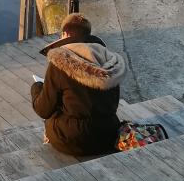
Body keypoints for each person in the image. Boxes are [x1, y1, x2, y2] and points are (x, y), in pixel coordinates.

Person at [30, 12, 126, 156]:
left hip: (72, 139)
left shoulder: (60, 63)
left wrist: (36, 89)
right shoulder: (109, 60)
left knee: (50, 114)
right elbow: (112, 104)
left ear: (65, 34)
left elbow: (43, 110)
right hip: (108, 135)